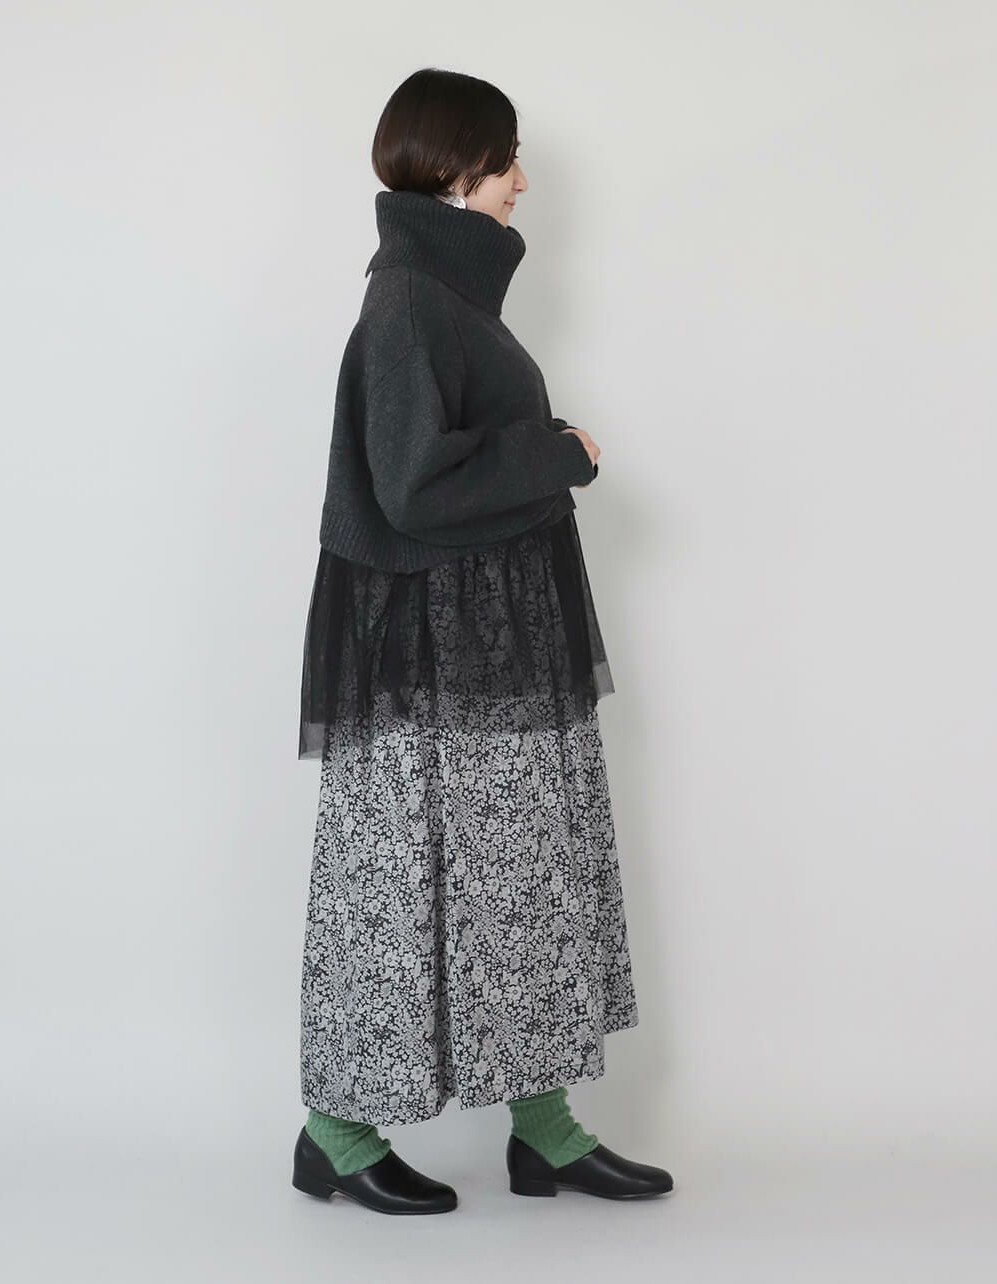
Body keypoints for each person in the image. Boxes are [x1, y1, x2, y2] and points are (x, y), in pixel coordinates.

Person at [293, 67, 674, 1214]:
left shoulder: (445, 293)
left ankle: (542, 1133)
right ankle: (334, 1136)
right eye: (506, 159)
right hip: (437, 656)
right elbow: (410, 485)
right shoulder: (409, 299)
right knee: (403, 888)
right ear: (457, 168)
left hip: (483, 643)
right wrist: (556, 454)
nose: (521, 180)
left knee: (519, 884)